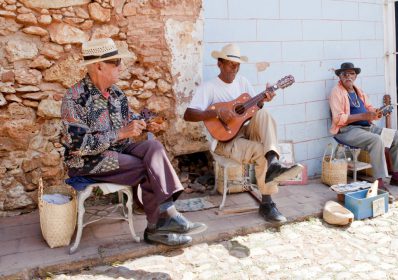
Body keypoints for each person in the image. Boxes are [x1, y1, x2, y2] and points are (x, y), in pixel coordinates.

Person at [61, 38, 206, 247]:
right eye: (116, 62)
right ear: (98, 66)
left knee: (153, 147)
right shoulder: (74, 98)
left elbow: (130, 119)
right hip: (87, 162)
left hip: (119, 152)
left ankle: (165, 215)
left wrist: (146, 124)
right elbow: (79, 145)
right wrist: (119, 133)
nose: (121, 66)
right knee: (147, 167)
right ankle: (159, 225)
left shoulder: (117, 94)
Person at [183, 43, 302, 223]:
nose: (235, 69)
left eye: (237, 65)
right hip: (225, 141)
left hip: (245, 130)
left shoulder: (243, 82)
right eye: (231, 64)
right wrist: (216, 112)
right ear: (220, 64)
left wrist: (263, 100)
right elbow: (188, 114)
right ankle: (267, 203)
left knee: (263, 113)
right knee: (261, 150)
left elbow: (252, 111)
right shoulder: (209, 87)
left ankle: (273, 162)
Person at [328, 62, 398, 192]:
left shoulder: (359, 91)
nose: (348, 77)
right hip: (347, 130)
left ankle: (397, 175)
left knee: (397, 136)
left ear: (356, 76)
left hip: (367, 128)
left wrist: (377, 112)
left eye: (351, 73)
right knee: (376, 140)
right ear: (339, 77)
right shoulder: (336, 92)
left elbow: (370, 110)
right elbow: (338, 118)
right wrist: (364, 116)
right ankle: (378, 181)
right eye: (344, 74)